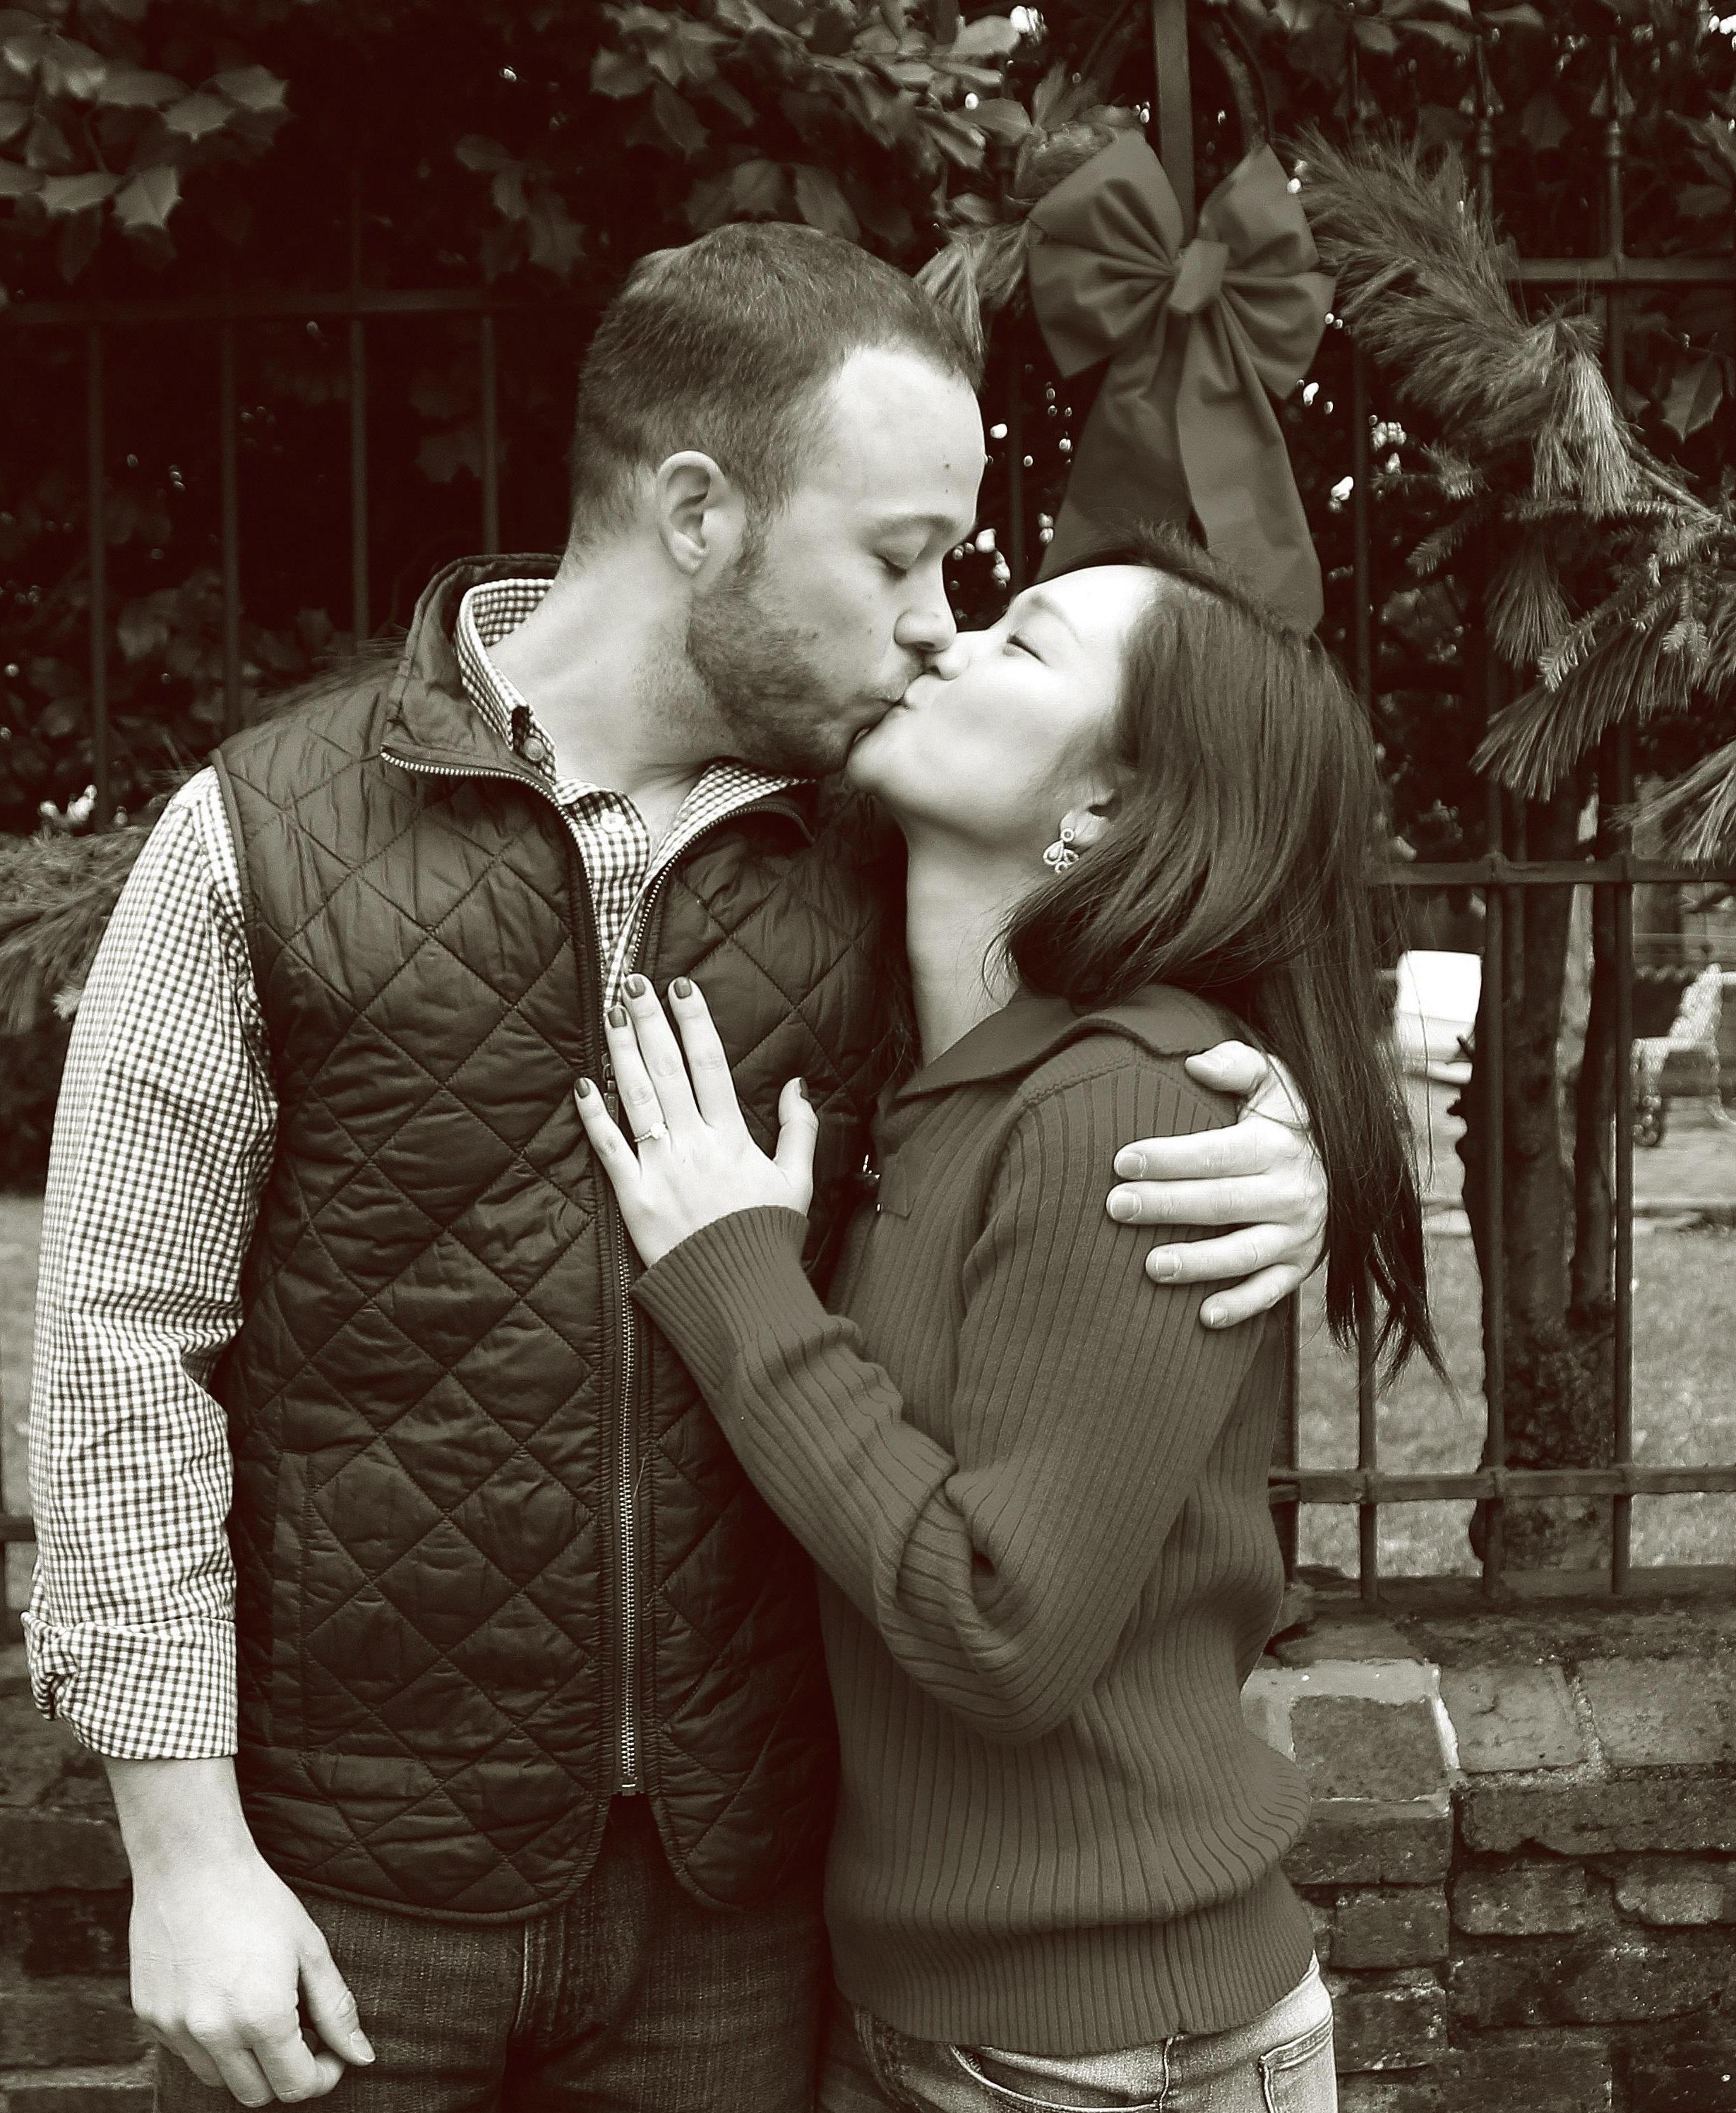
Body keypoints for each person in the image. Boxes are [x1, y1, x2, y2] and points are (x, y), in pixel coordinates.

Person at [25, 226, 1331, 2113]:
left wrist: (1275, 1138)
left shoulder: (888, 848)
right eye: (897, 555)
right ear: (702, 513)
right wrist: (183, 1849)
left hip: (743, 1911)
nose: (936, 622)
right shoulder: (259, 834)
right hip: (348, 1899)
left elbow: (1112, 1016)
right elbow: (120, 1344)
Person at [576, 529, 1440, 2113]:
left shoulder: (1129, 1103)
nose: (943, 640)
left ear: (1107, 808)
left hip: (1111, 2051)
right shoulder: (942, 1084)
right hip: (939, 2018)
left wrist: (736, 1275)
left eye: (1022, 643)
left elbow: (1002, 1627)